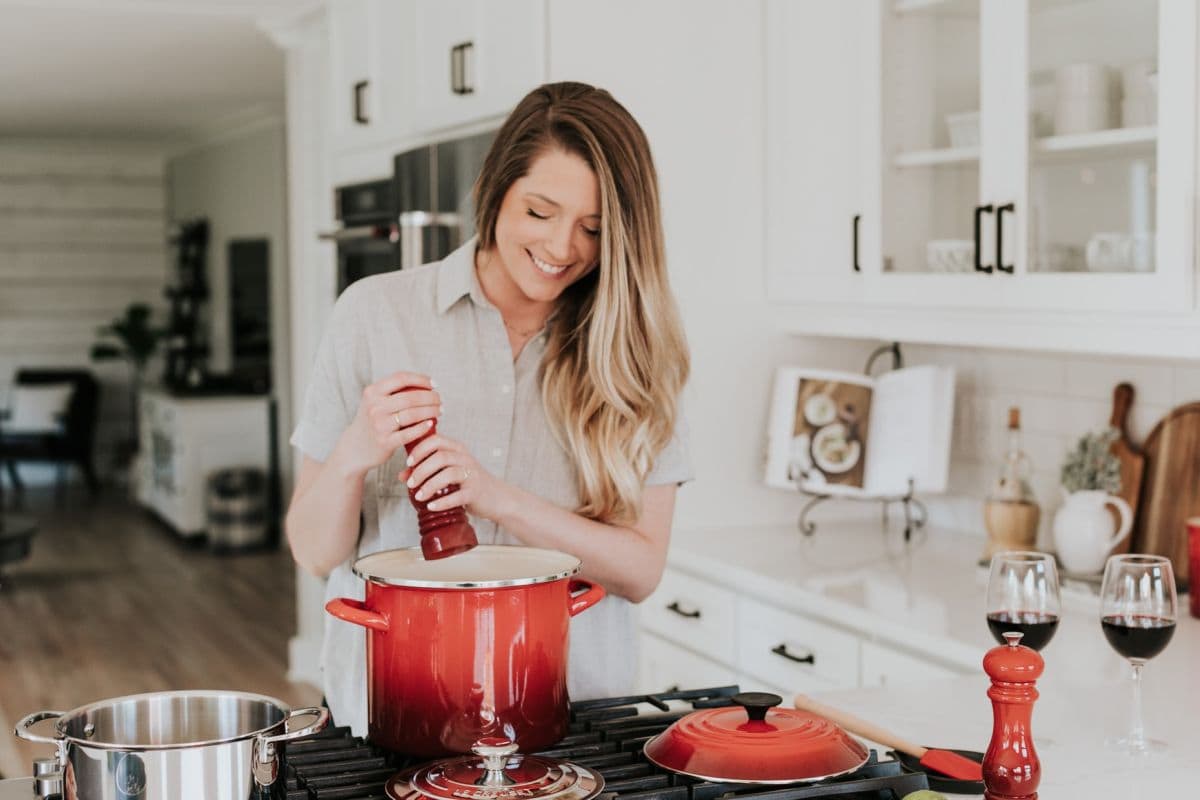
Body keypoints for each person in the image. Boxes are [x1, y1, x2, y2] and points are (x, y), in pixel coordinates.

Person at [286, 81, 692, 735]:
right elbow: (310, 550)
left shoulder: (636, 353)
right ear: (495, 191)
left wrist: (495, 497)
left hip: (572, 721)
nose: (563, 247)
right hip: (395, 714)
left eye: (593, 228)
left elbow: (641, 571)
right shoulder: (375, 313)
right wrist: (353, 454)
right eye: (540, 211)